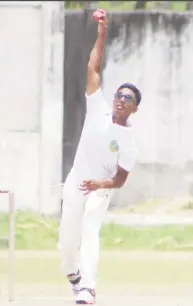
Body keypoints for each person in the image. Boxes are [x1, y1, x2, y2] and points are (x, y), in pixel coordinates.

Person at [59, 9, 141, 305]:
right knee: (67, 245)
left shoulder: (129, 140)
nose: (121, 99)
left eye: (128, 98)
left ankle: (88, 289)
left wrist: (100, 185)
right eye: (119, 94)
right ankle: (74, 276)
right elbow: (93, 68)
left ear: (135, 109)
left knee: (90, 225)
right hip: (76, 180)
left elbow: (120, 179)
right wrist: (102, 33)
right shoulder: (98, 109)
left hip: (101, 187)